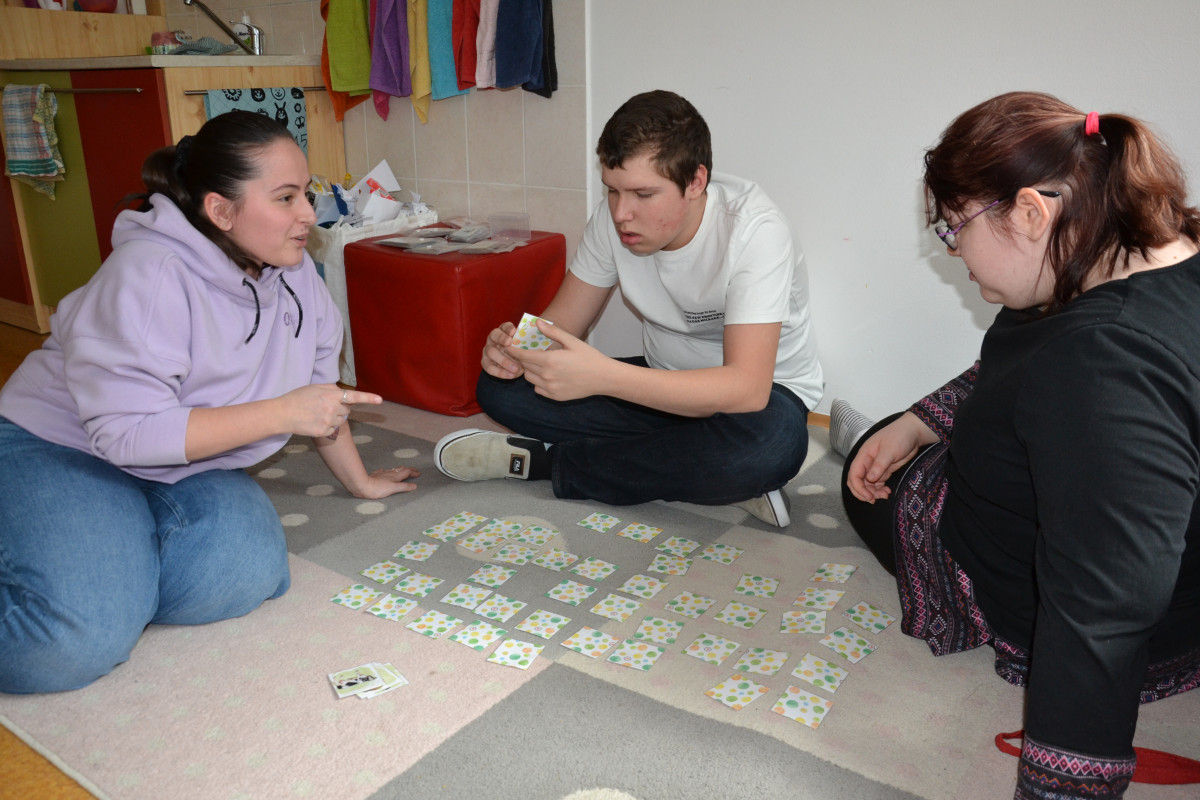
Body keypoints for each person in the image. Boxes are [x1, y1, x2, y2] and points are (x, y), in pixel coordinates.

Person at [841, 92, 1200, 798]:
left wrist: (1060, 785)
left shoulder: (1102, 365)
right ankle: (894, 431)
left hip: (1065, 597)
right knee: (888, 437)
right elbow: (1025, 366)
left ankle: (865, 444)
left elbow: (1104, 604)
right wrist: (924, 419)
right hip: (1172, 581)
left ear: (1032, 213)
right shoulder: (1133, 256)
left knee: (863, 480)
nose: (952, 251)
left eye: (954, 228)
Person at [0, 111, 420, 694]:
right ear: (221, 211)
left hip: (181, 457)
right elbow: (126, 434)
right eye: (285, 198)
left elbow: (321, 398)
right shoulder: (149, 274)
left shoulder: (295, 273)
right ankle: (86, 570)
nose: (308, 213)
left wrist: (361, 482)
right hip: (62, 446)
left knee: (247, 573)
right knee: (68, 646)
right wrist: (281, 412)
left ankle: (109, 565)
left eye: (307, 192)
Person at [432, 90, 823, 528]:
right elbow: (560, 323)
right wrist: (515, 351)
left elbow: (746, 389)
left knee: (772, 446)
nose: (621, 213)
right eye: (613, 191)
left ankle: (547, 463)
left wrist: (603, 377)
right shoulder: (611, 220)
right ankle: (706, 473)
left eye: (643, 194)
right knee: (500, 389)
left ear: (696, 182)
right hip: (658, 385)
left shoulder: (755, 231)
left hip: (761, 400)